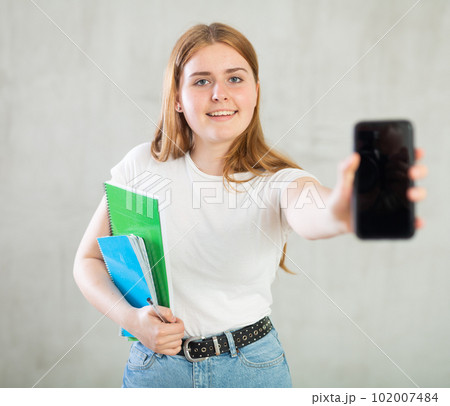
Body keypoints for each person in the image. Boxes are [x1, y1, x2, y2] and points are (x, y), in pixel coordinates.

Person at [73, 22, 427, 388]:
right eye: (201, 81)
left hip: (251, 372)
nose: (219, 94)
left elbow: (313, 209)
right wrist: (132, 321)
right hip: (155, 371)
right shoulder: (142, 166)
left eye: (235, 79)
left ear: (256, 92)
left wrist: (346, 207)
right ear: (177, 97)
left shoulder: (279, 179)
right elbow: (88, 261)